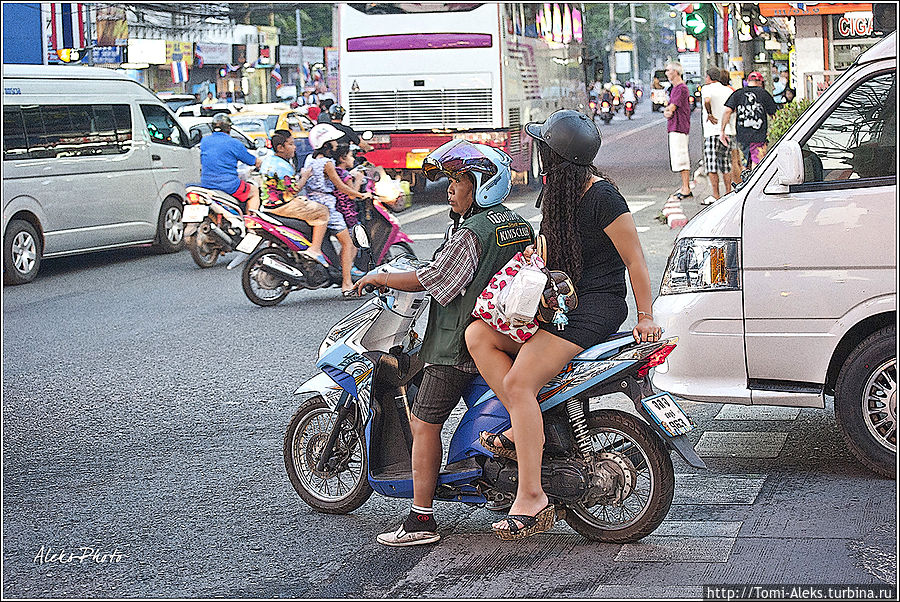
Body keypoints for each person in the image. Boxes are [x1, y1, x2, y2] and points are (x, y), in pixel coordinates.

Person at [466, 109, 662, 540]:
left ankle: (532, 497)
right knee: (477, 333)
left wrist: (646, 316)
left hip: (596, 307)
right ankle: (524, 428)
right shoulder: (558, 192)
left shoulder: (603, 197)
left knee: (519, 384)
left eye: (542, 150)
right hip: (561, 302)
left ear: (555, 158)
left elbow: (635, 260)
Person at [352, 139, 533, 546]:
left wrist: (380, 277)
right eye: (450, 180)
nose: (450, 188)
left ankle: (421, 518)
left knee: (424, 423)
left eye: (458, 180)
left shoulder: (472, 232)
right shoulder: (515, 223)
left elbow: (435, 282)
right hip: (509, 338)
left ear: (483, 184)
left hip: (458, 346)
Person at [304, 123, 369, 296]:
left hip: (312, 202)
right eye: (333, 141)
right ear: (326, 145)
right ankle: (347, 283)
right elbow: (341, 187)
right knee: (348, 243)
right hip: (328, 207)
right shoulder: (327, 164)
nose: (336, 144)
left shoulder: (309, 159)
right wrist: (361, 195)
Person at [258, 129, 330, 265]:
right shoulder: (283, 166)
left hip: (266, 205)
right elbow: (293, 191)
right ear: (280, 148)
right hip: (282, 206)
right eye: (291, 144)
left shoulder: (268, 161)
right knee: (322, 212)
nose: (294, 147)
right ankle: (315, 249)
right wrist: (305, 176)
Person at [199, 113, 262, 212]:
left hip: (206, 184)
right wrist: (261, 164)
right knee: (254, 191)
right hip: (229, 186)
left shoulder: (205, 141)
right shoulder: (234, 143)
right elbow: (252, 161)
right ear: (229, 128)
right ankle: (251, 224)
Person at [720, 71, 778, 169]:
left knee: (745, 163)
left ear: (748, 81)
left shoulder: (738, 93)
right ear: (760, 82)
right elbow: (775, 115)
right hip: (759, 136)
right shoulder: (764, 94)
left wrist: (722, 130)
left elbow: (727, 111)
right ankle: (757, 183)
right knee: (758, 163)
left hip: (742, 136)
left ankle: (747, 182)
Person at [700, 66, 734, 204]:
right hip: (727, 132)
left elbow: (707, 101)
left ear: (708, 77)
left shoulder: (707, 89)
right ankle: (728, 193)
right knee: (726, 164)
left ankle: (716, 195)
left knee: (711, 165)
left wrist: (709, 114)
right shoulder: (727, 90)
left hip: (712, 132)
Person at [663, 62, 693, 200]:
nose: (666, 73)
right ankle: (684, 186)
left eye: (668, 70)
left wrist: (668, 110)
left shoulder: (681, 88)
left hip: (679, 126)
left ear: (675, 71)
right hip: (675, 126)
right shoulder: (675, 88)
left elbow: (671, 109)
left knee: (681, 156)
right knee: (678, 156)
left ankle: (686, 187)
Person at [329, 143, 363, 229]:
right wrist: (358, 179)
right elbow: (352, 195)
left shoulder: (335, 171)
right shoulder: (346, 175)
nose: (353, 159)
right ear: (342, 158)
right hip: (348, 211)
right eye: (351, 156)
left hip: (337, 207)